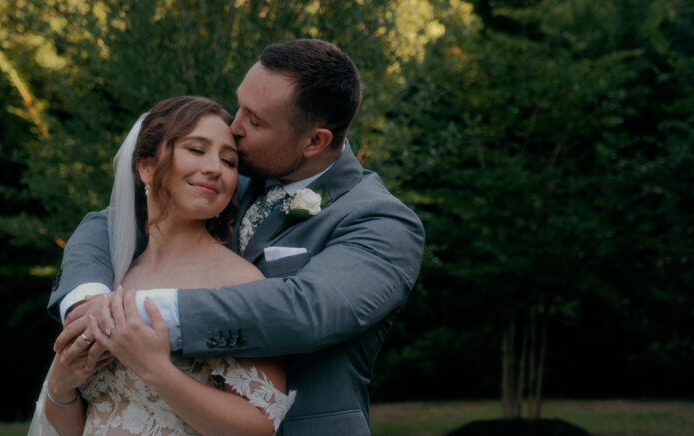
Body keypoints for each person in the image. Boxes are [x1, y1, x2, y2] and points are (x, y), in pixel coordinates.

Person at [51, 39, 425, 435]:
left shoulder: (381, 222)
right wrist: (86, 300)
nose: (235, 127)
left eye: (256, 121)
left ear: (315, 141)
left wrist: (135, 313)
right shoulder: (225, 176)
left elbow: (305, 311)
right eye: (240, 106)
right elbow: (109, 222)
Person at [29, 96, 296, 436]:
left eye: (229, 161)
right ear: (146, 166)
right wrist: (62, 385)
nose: (215, 168)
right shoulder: (113, 277)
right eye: (197, 150)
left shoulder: (240, 283)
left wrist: (155, 369)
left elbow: (260, 427)